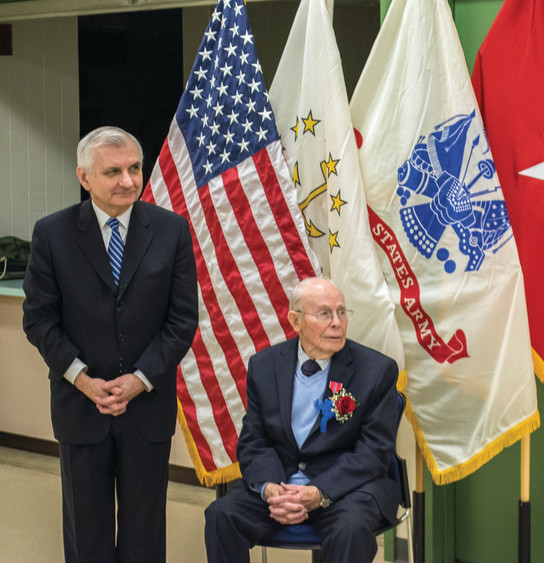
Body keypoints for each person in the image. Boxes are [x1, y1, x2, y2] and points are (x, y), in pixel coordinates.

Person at [22, 126, 199, 563]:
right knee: (87, 533)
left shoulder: (171, 230)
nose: (128, 180)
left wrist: (139, 380)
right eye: (113, 171)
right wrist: (82, 379)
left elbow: (182, 320)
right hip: (80, 408)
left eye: (135, 168)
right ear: (84, 178)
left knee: (145, 532)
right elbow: (38, 319)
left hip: (147, 410)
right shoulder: (53, 233)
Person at [204, 277, 401, 563]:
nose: (337, 322)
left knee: (350, 529)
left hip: (346, 489)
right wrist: (271, 489)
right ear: (295, 321)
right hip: (280, 483)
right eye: (325, 313)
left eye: (342, 312)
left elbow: (374, 452)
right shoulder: (264, 366)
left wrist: (319, 492)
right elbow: (253, 442)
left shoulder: (377, 370)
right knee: (221, 515)